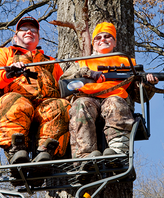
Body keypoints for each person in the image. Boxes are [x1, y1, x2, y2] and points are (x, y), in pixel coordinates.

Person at [66, 21, 158, 182]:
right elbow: (65, 81)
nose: (103, 40)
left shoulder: (127, 63)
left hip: (115, 102)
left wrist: (148, 84)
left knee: (115, 101)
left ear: (114, 42)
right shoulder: (82, 62)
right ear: (93, 43)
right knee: (80, 105)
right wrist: (87, 73)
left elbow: (140, 96)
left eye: (108, 36)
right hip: (89, 99)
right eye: (98, 37)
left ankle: (118, 155)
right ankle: (84, 159)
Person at [0, 16, 71, 185]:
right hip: (19, 100)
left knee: (61, 105)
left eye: (33, 30)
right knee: (13, 102)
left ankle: (45, 154)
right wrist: (9, 73)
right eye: (24, 29)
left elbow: (65, 87)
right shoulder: (7, 53)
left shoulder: (51, 62)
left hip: (45, 105)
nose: (29, 32)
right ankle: (17, 153)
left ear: (38, 37)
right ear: (15, 36)